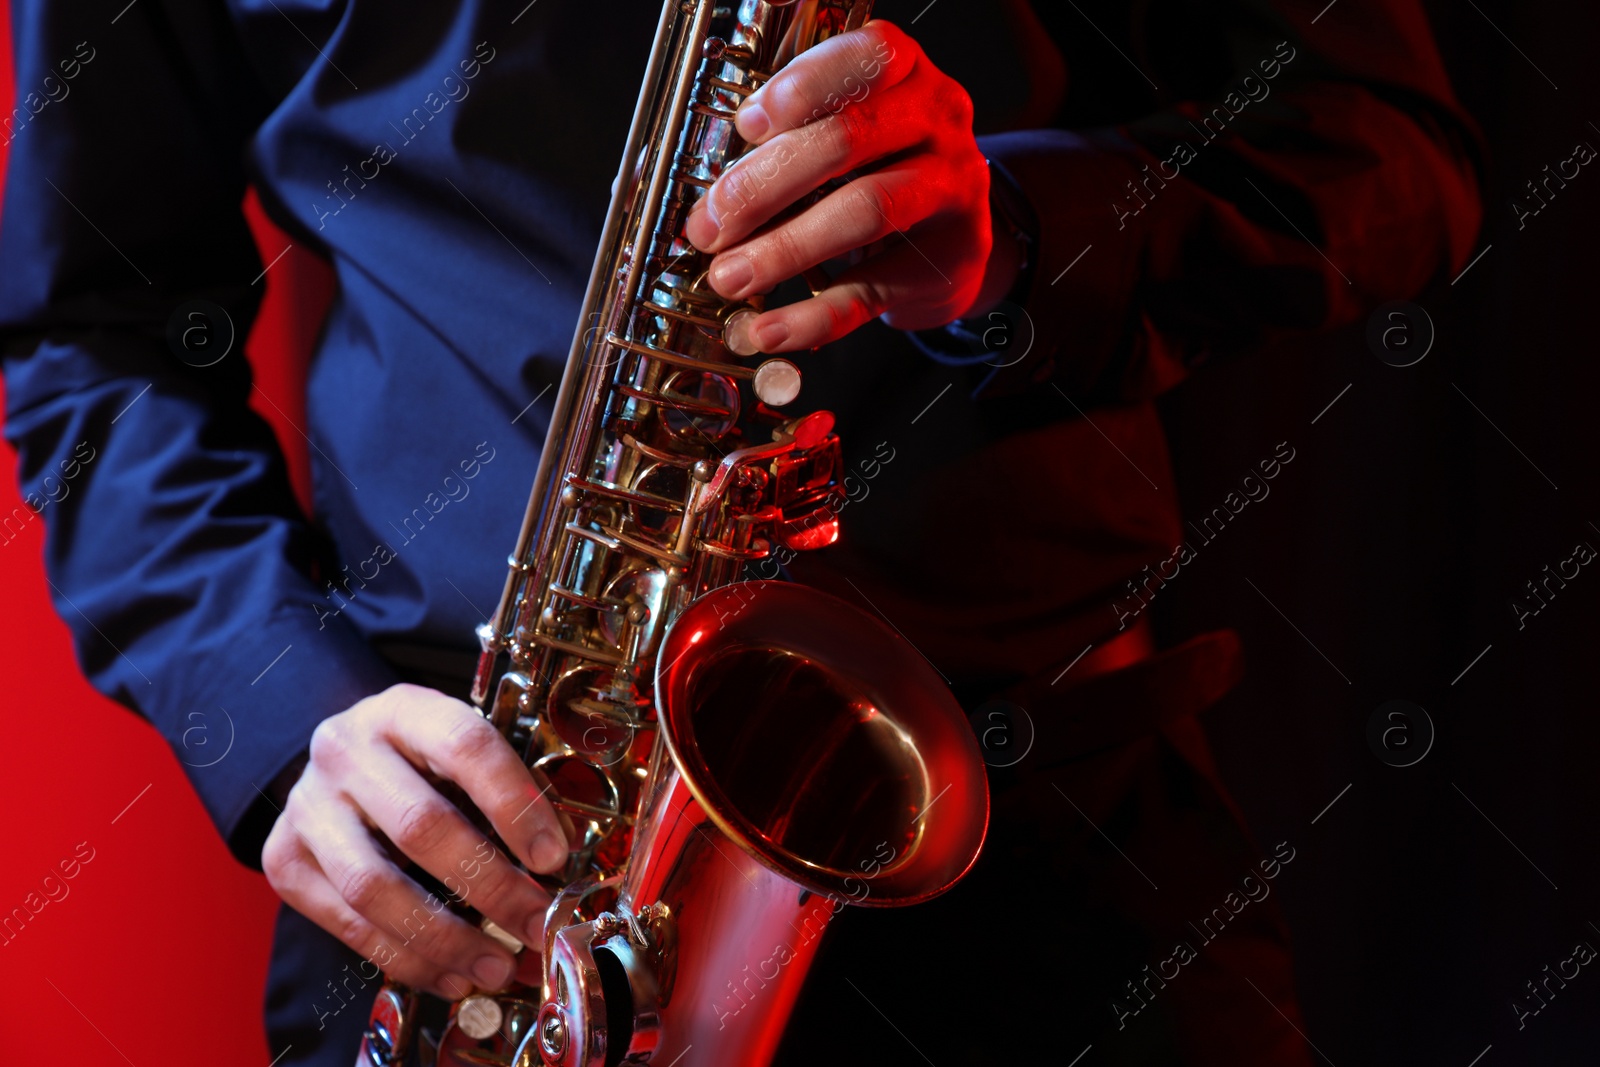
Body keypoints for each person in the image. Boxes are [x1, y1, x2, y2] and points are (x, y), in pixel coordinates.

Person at [0, 0, 1480, 1064]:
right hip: (483, 877)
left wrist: (1025, 234)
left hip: (1045, 838)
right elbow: (86, 331)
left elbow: (1387, 150)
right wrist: (275, 715)